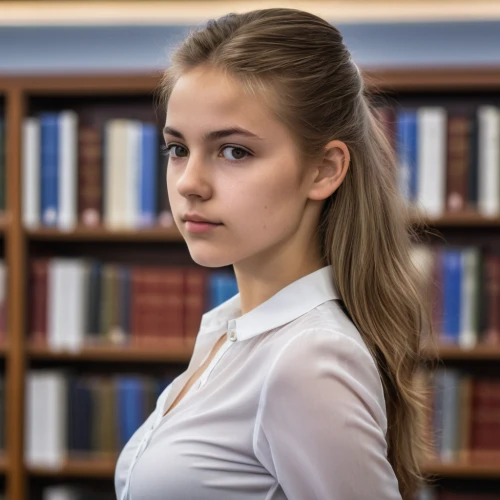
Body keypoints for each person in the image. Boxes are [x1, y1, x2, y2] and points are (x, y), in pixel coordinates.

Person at [115, 7, 432, 500]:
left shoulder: (306, 359)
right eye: (177, 149)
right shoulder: (230, 328)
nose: (190, 184)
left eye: (234, 151)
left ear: (324, 170)